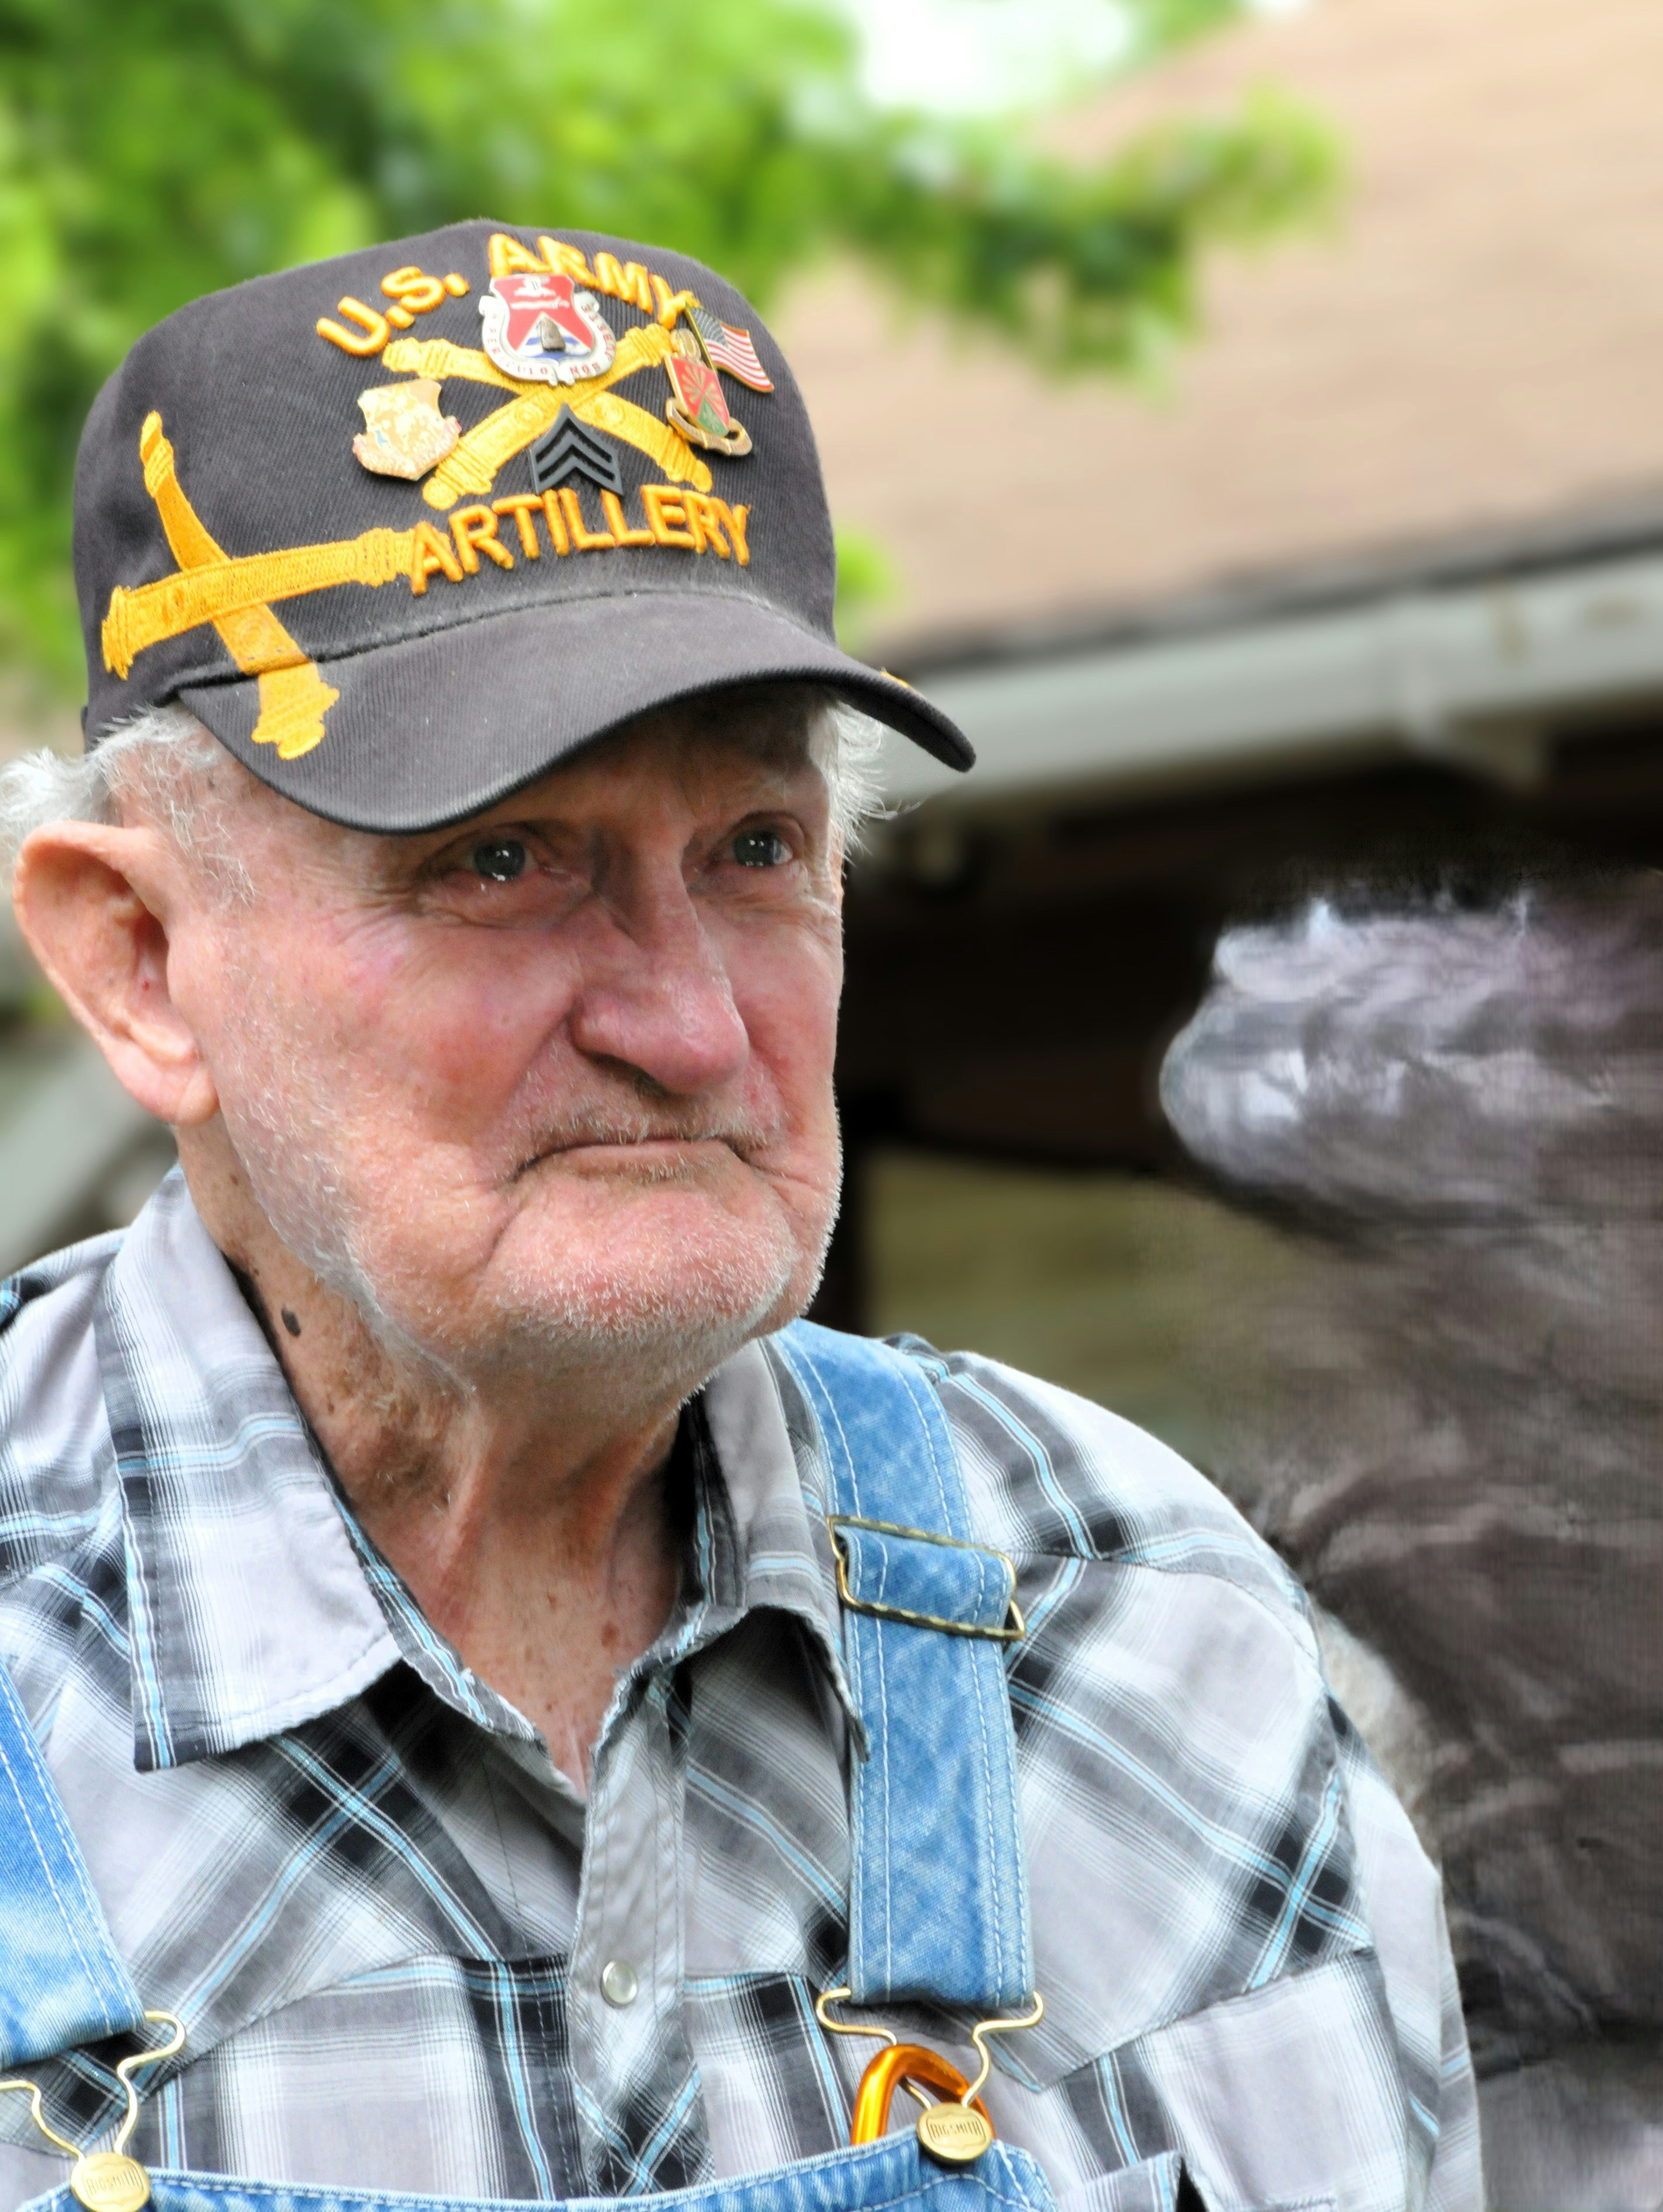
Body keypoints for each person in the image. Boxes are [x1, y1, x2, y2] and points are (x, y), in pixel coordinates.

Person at [0, 221, 1480, 2212]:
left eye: (759, 847)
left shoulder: (1134, 1627)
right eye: (505, 858)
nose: (691, 1021)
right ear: (142, 963)